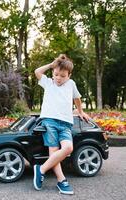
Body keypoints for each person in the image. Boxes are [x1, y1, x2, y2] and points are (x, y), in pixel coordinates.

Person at [33, 54, 89, 195]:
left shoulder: (71, 84)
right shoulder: (48, 83)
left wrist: (80, 112)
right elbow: (37, 72)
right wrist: (51, 65)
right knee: (54, 151)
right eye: (56, 74)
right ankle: (61, 180)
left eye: (62, 76)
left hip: (65, 123)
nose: (58, 78)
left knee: (68, 148)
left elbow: (77, 98)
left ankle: (41, 170)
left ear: (69, 75)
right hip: (49, 121)